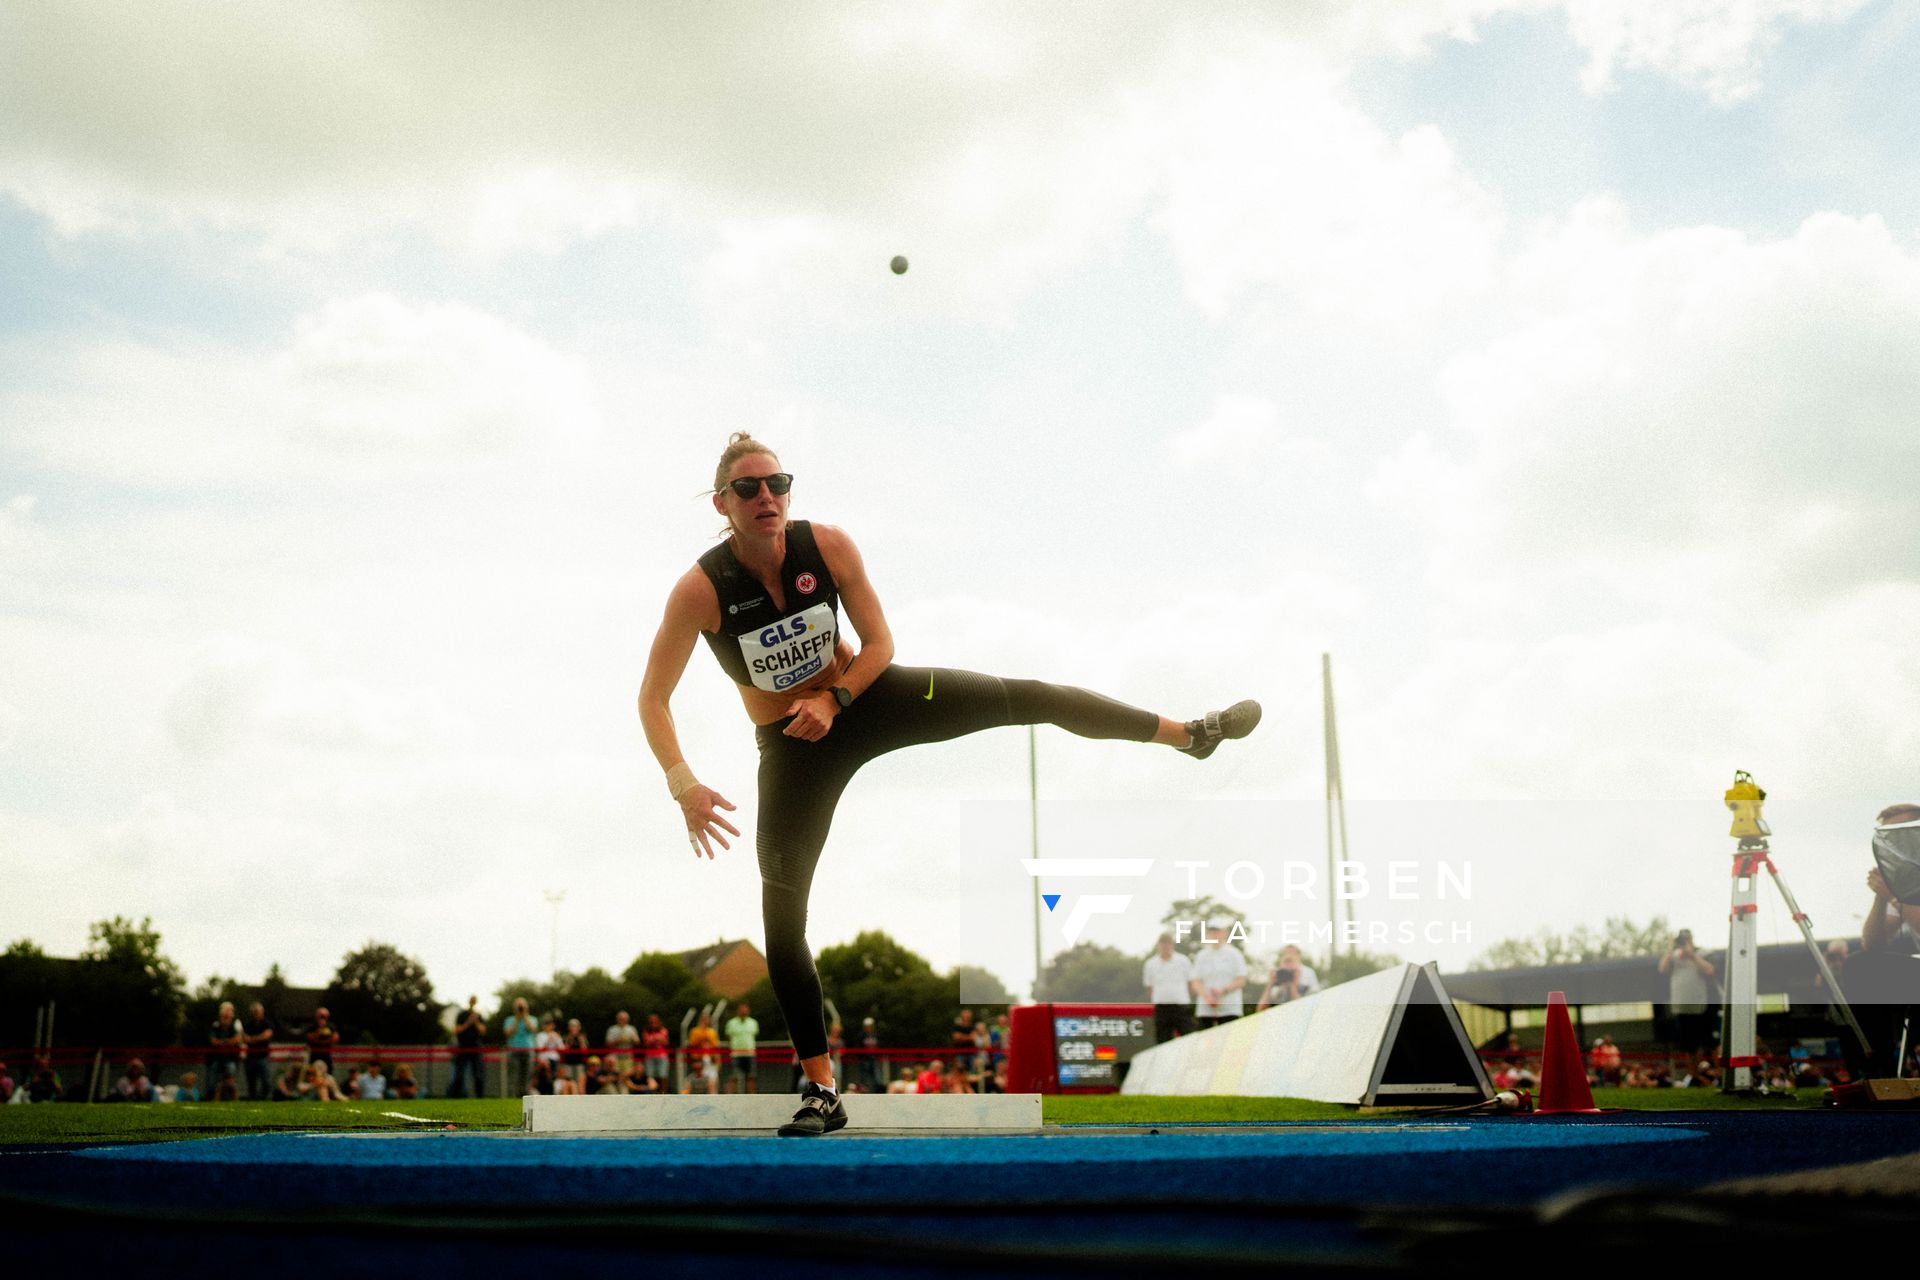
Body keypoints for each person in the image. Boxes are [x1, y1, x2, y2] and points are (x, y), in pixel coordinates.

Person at [637, 433, 1262, 1136]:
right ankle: (820, 1090)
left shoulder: (829, 547)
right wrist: (683, 784)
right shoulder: (701, 590)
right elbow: (653, 698)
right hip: (794, 750)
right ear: (722, 503)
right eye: (748, 489)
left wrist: (834, 700)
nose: (767, 498)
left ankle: (1189, 734)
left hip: (865, 697)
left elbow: (881, 646)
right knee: (782, 924)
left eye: (777, 483)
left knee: (1029, 695)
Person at [1850, 802, 1920, 1077]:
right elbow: (1873, 945)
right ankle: (1879, 1072)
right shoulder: (1903, 882)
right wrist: (1880, 896)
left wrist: (1891, 894)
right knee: (1861, 965)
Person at [1658, 929, 1718, 1069]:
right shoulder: (1673, 956)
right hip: (1683, 1006)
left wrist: (1691, 955)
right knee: (1689, 1044)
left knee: (1710, 1042)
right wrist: (1670, 949)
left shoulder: (1703, 953)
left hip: (1702, 1005)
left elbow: (1710, 970)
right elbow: (1662, 969)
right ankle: (1694, 1075)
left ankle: (1718, 1073)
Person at [1191, 924, 1249, 1028]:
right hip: (1206, 1009)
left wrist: (1222, 991)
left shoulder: (1235, 954)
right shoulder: (1201, 955)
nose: (1214, 935)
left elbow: (1241, 980)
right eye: (1212, 932)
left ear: (1225, 933)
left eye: (1217, 932)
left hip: (1230, 1008)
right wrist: (1207, 997)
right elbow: (1195, 981)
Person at [1143, 933, 1196, 1043]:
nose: (1165, 946)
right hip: (1162, 1008)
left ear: (1172, 945)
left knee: (1188, 1038)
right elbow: (1149, 986)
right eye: (1163, 944)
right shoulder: (1151, 964)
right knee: (1163, 1040)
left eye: (1168, 943)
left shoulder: (1183, 961)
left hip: (1181, 1006)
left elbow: (1191, 983)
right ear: (1158, 945)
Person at [1255, 945, 1321, 1012]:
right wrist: (1270, 984)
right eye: (1285, 962)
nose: (1287, 971)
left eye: (1291, 962)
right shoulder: (1277, 991)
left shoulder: (1308, 986)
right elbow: (1260, 1010)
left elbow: (1301, 1009)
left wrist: (1294, 984)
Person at [449, 996, 486, 1097]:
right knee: (459, 1075)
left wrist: (476, 1021)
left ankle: (480, 1098)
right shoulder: (462, 1015)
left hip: (476, 1048)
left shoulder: (479, 1016)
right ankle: (455, 1098)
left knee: (478, 1075)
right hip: (462, 1047)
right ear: (469, 1001)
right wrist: (468, 1022)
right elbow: (456, 1031)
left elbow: (483, 1031)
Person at [208, 1000, 245, 1095]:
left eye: (229, 1011)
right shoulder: (215, 1025)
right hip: (217, 1058)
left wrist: (222, 1042)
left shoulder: (236, 1023)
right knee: (212, 1083)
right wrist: (228, 1041)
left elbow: (238, 1040)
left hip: (231, 1058)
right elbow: (213, 1042)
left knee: (231, 1082)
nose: (227, 1014)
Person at [503, 997, 538, 1096]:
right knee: (514, 1076)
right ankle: (512, 1097)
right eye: (519, 1006)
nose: (521, 1008)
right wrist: (517, 1019)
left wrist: (525, 1016)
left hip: (528, 1050)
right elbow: (508, 1033)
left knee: (527, 1076)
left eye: (522, 1005)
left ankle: (525, 1097)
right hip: (514, 1050)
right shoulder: (509, 1020)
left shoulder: (532, 1019)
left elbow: (532, 1029)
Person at [241, 1001, 275, 1100]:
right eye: (255, 1012)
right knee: (251, 1082)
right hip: (251, 1057)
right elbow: (245, 1039)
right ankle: (253, 1100)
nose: (257, 1014)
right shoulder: (247, 1025)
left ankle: (265, 1099)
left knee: (266, 1082)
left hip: (263, 1057)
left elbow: (266, 1035)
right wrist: (258, 1038)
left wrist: (252, 1039)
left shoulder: (267, 1024)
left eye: (259, 1012)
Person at [724, 1002, 760, 1094]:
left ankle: (751, 1097)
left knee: (751, 1076)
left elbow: (754, 1036)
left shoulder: (753, 1022)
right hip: (736, 1054)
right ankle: (731, 1097)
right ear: (738, 1011)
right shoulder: (731, 1023)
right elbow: (729, 1037)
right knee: (734, 1076)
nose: (743, 1011)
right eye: (741, 1009)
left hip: (750, 1054)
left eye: (745, 1009)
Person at [684, 1012, 720, 1095]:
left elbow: (715, 1045)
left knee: (712, 1083)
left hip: (710, 1060)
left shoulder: (712, 1032)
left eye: (707, 1020)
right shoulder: (695, 1031)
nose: (705, 1021)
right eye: (703, 1020)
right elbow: (692, 1044)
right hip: (699, 1060)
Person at [642, 1014, 673, 1093]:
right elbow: (646, 1044)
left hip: (662, 1056)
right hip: (650, 1056)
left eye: (655, 1022)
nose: (653, 1024)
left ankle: (663, 1094)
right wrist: (656, 1039)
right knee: (650, 1077)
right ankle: (652, 1094)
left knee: (663, 1076)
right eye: (651, 1022)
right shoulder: (646, 1031)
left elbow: (666, 1043)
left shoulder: (664, 1030)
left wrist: (654, 1039)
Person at [305, 1006, 339, 1075]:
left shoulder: (331, 1026)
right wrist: (319, 1030)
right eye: (321, 1016)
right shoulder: (312, 1026)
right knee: (312, 1072)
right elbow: (310, 1038)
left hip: (326, 1054)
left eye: (324, 1016)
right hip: (314, 1054)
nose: (322, 1018)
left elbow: (336, 1038)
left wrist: (325, 1042)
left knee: (328, 1073)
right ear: (316, 1016)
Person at [604, 1011, 640, 1075]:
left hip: (628, 1056)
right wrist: (618, 1041)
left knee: (627, 1074)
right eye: (620, 1019)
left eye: (624, 1019)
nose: (622, 1020)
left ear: (627, 1019)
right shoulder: (612, 1029)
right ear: (617, 1019)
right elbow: (607, 1044)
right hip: (615, 1057)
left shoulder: (631, 1029)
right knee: (615, 1074)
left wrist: (632, 1039)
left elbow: (637, 1042)